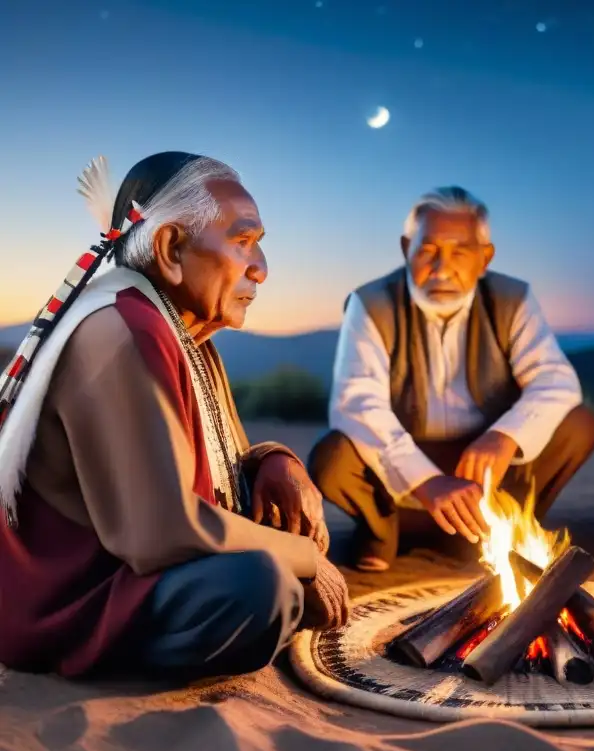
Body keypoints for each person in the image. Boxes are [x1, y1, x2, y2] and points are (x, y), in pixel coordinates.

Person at [0, 153, 350, 680]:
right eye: (243, 241)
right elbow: (159, 529)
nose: (261, 268)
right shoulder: (120, 328)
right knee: (261, 586)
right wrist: (304, 558)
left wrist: (276, 463)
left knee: (269, 567)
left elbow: (211, 466)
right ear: (170, 248)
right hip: (74, 598)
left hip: (137, 566)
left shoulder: (183, 331)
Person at [309, 186, 594, 571]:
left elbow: (555, 380)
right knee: (332, 457)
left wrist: (505, 436)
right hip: (402, 464)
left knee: (577, 424)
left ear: (485, 258)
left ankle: (498, 525)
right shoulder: (371, 303)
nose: (442, 268)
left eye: (460, 251)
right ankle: (381, 530)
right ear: (405, 248)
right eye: (428, 250)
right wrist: (426, 481)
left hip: (484, 465)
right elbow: (357, 402)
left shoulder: (512, 298)